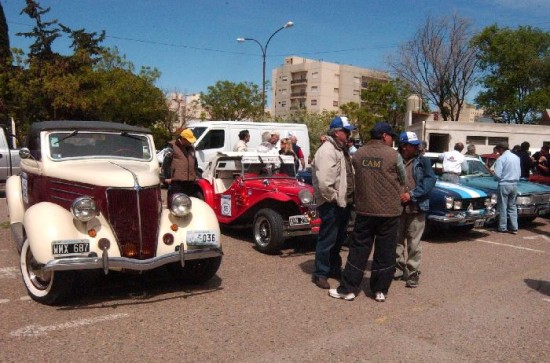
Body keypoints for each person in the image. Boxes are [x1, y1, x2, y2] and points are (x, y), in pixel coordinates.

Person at [329, 122, 406, 302]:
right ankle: (380, 290)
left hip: (364, 210)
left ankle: (348, 289)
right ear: (385, 136)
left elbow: (350, 176)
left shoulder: (358, 154)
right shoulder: (394, 155)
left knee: (358, 250)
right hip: (389, 212)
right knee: (385, 251)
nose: (392, 139)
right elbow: (402, 178)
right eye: (391, 136)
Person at [311, 116, 355, 290]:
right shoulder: (327, 150)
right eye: (346, 131)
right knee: (327, 238)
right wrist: (335, 198)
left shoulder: (341, 149)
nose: (349, 134)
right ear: (337, 132)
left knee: (338, 238)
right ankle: (320, 273)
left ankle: (334, 268)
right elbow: (324, 182)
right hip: (332, 203)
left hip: (342, 202)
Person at [395, 131, 436, 288]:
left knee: (414, 242)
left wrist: (411, 195)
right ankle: (397, 269)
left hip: (416, 206)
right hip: (397, 208)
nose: (417, 147)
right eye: (413, 145)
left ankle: (412, 273)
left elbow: (430, 181)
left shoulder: (423, 161)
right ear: (404, 146)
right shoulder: (394, 159)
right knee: (396, 241)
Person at [161, 128, 199, 207]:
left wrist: (196, 175)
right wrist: (166, 177)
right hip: (176, 181)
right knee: (175, 203)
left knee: (188, 204)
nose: (190, 142)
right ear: (183, 139)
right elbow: (166, 163)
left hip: (190, 181)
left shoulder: (191, 148)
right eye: (189, 140)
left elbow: (195, 163)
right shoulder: (172, 146)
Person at [493, 142, 521, 234]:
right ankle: (514, 227)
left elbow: (497, 174)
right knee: (512, 206)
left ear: (501, 149)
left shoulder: (501, 159)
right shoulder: (516, 158)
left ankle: (502, 227)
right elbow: (519, 172)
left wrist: (494, 177)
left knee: (503, 206)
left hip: (504, 183)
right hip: (514, 184)